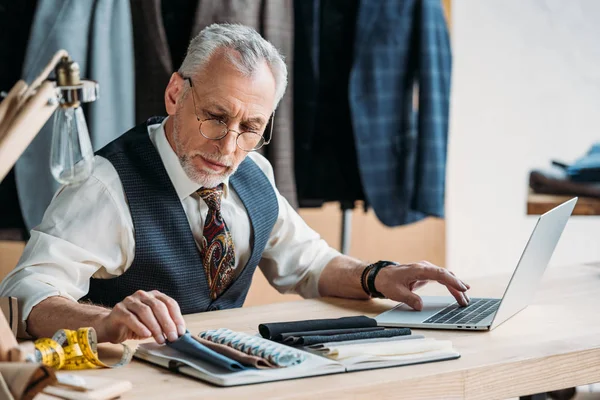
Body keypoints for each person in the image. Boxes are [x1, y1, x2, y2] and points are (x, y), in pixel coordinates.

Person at [0, 24, 470, 345]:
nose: (228, 148)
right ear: (175, 94)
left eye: (250, 128)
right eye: (216, 117)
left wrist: (377, 276)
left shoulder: (254, 174)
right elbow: (23, 292)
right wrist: (104, 322)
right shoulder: (106, 185)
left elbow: (309, 263)